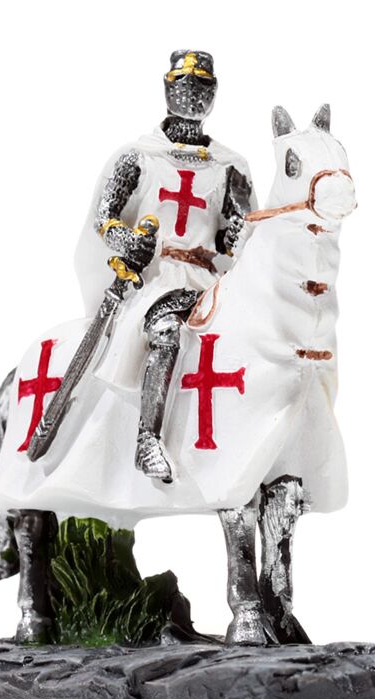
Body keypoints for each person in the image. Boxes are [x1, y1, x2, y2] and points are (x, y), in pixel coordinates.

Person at [74, 50, 255, 482]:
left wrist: (241, 227)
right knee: (165, 331)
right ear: (168, 88)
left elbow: (234, 239)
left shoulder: (230, 166)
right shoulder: (139, 156)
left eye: (202, 88)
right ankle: (147, 440)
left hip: (210, 281)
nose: (193, 96)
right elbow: (105, 216)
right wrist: (130, 241)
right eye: (185, 86)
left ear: (214, 94)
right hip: (157, 277)